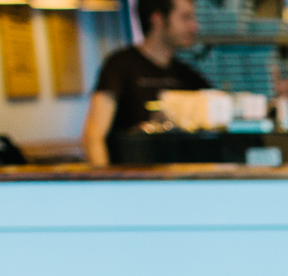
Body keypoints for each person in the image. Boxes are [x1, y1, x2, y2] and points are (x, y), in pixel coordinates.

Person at [82, 0, 209, 166]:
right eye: (185, 18)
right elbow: (94, 137)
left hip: (176, 182)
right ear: (158, 19)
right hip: (131, 181)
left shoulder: (186, 74)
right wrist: (107, 185)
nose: (194, 26)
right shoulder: (120, 65)